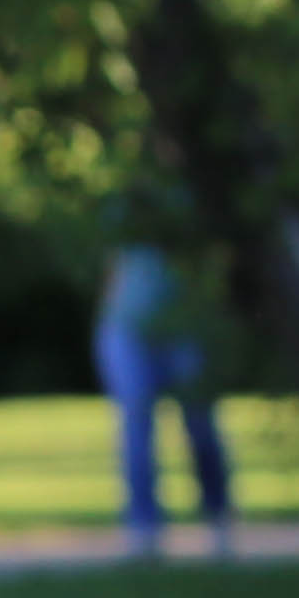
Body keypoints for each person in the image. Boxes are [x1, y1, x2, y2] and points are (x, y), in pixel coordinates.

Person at [94, 235, 235, 555]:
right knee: (136, 428)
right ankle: (143, 530)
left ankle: (218, 518)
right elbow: (114, 267)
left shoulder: (187, 198)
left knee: (201, 425)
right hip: (128, 329)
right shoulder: (124, 206)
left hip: (183, 329)